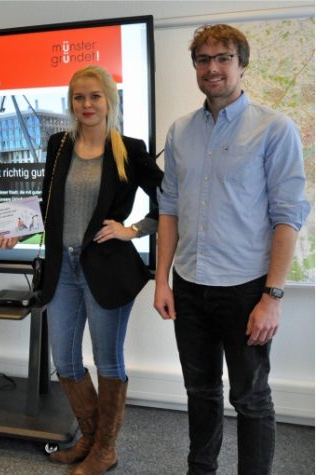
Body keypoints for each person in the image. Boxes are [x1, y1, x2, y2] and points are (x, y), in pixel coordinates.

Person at [154, 24, 310, 475]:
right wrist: (162, 281)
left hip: (246, 289)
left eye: (223, 58)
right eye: (203, 59)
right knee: (200, 392)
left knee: (250, 398)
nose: (213, 68)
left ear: (242, 65)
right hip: (189, 285)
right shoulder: (180, 131)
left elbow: (287, 217)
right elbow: (169, 209)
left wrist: (272, 297)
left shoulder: (274, 129)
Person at [0, 65, 163, 475]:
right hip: (62, 269)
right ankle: (88, 437)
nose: (86, 104)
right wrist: (16, 231)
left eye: (94, 96)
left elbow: (169, 201)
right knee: (65, 361)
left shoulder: (130, 149)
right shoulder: (59, 145)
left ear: (109, 100)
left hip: (106, 270)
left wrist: (132, 230)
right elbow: (47, 203)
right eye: (78, 97)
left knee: (108, 361)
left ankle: (106, 448)